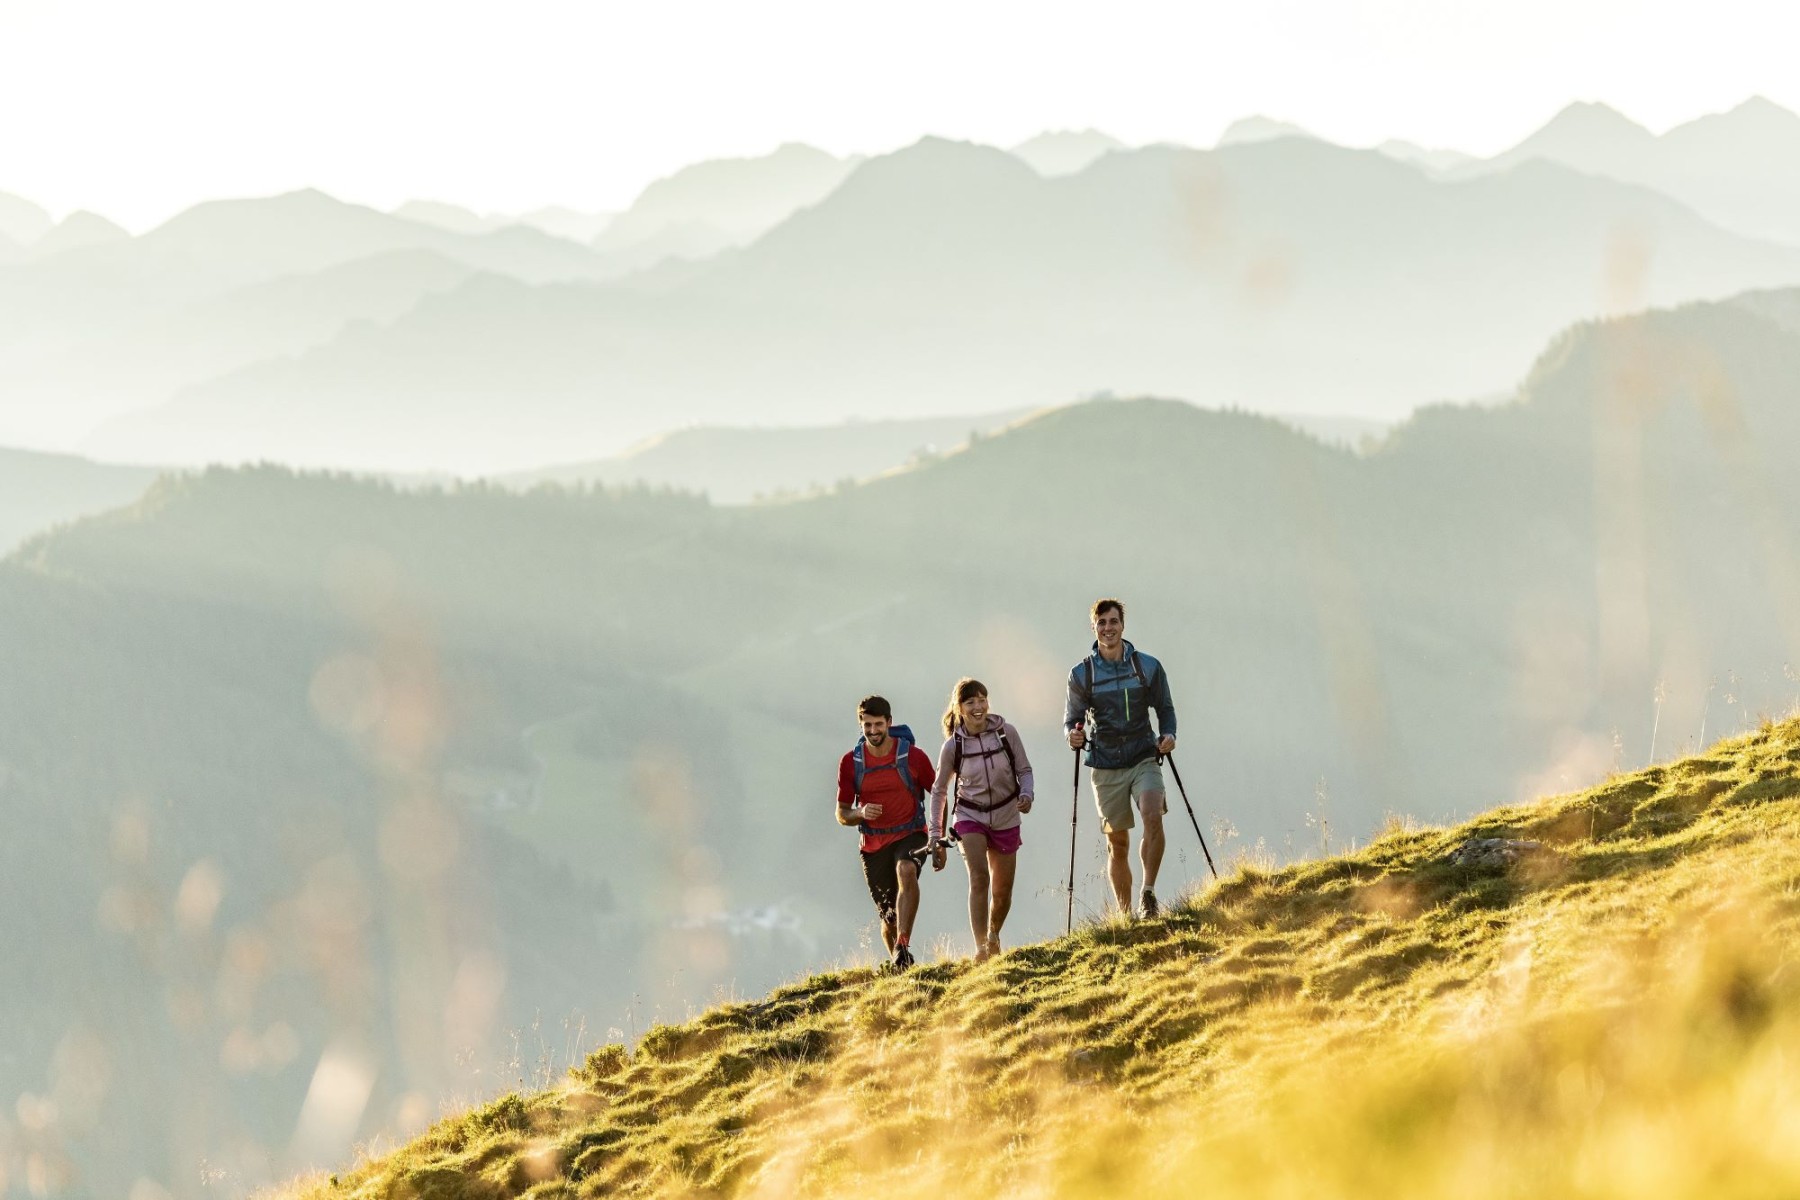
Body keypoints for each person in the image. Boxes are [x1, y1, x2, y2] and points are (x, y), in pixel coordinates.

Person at [1064, 598, 1177, 918]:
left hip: (1143, 756)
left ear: (1123, 625)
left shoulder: (1147, 666)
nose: (1108, 628)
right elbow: (1072, 719)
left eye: (1113, 621)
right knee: (1118, 844)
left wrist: (1169, 735)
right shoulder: (1082, 674)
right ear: (1093, 627)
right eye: (1101, 623)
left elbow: (1165, 708)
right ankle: (1126, 916)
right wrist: (1072, 735)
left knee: (1153, 815)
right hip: (1105, 764)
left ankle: (1148, 894)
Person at [928, 678, 1034, 962]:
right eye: (970, 702)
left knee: (1002, 892)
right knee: (979, 877)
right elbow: (939, 790)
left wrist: (1027, 794)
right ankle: (981, 949)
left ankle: (993, 934)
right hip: (969, 816)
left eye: (982, 700)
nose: (978, 707)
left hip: (1006, 813)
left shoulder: (1006, 733)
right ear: (959, 708)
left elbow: (1024, 770)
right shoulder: (953, 746)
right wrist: (935, 835)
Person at [836, 694, 942, 970]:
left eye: (878, 724)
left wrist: (937, 839)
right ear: (861, 725)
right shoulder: (851, 762)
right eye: (867, 725)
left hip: (911, 832)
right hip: (873, 844)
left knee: (906, 869)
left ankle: (903, 944)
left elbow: (939, 795)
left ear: (889, 722)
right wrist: (860, 813)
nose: (873, 731)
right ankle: (900, 966)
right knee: (888, 916)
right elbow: (842, 813)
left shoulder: (913, 757)